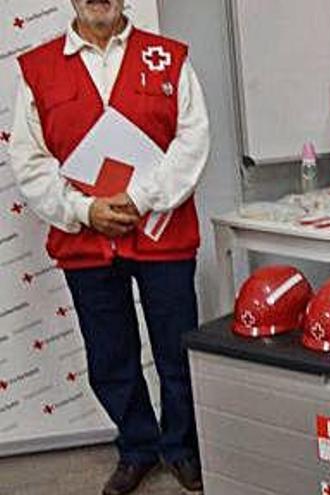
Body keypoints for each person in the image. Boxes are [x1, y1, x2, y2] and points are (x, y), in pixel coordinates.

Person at [9, 1, 209, 493]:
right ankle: (138, 446)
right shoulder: (38, 70)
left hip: (164, 236)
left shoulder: (168, 57)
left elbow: (192, 140)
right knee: (110, 355)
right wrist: (84, 211)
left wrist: (140, 198)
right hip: (86, 244)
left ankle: (182, 447)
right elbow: (29, 160)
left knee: (176, 349)